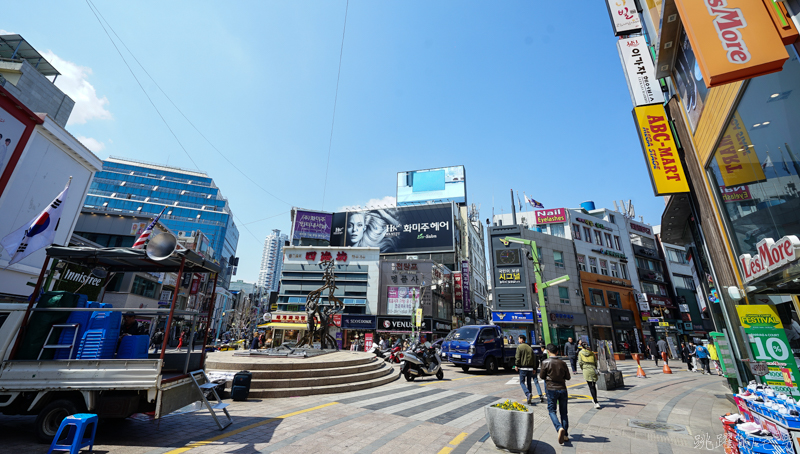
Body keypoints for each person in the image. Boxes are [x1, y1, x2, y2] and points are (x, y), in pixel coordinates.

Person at [540, 343, 571, 445]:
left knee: (552, 410)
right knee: (564, 413)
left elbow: (542, 376)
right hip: (562, 389)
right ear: (557, 352)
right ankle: (565, 434)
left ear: (548, 352)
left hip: (551, 389)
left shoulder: (545, 362)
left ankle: (559, 427)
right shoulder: (563, 363)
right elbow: (568, 377)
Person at [515, 334, 543, 404]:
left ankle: (527, 394)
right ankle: (529, 397)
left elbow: (518, 357)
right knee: (529, 383)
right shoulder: (530, 348)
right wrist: (534, 368)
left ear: (522, 339)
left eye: (519, 339)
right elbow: (534, 359)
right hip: (530, 368)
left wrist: (516, 365)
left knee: (522, 382)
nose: (518, 340)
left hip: (523, 367)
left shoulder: (519, 347)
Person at [578, 341, 601, 409]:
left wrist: (583, 369)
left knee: (590, 386)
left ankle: (595, 401)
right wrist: (595, 368)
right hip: (593, 369)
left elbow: (580, 362)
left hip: (586, 369)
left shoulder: (580, 353)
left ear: (582, 346)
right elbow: (596, 362)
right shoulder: (592, 353)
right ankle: (595, 400)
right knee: (593, 385)